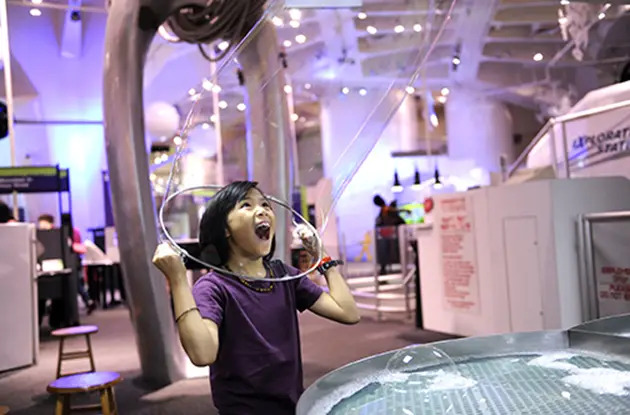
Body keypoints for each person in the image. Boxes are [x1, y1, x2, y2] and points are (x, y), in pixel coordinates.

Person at [152, 181, 360, 415]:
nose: (262, 210)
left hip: (292, 407)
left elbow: (348, 313)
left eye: (265, 204)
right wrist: (178, 280)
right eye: (246, 205)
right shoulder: (213, 287)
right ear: (225, 229)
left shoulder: (284, 275)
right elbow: (203, 354)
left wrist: (322, 257)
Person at [38, 213, 96, 314]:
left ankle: (88, 301)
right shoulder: (56, 234)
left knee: (76, 285)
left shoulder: (58, 235)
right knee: (77, 285)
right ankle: (88, 301)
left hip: (70, 263)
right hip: (70, 263)